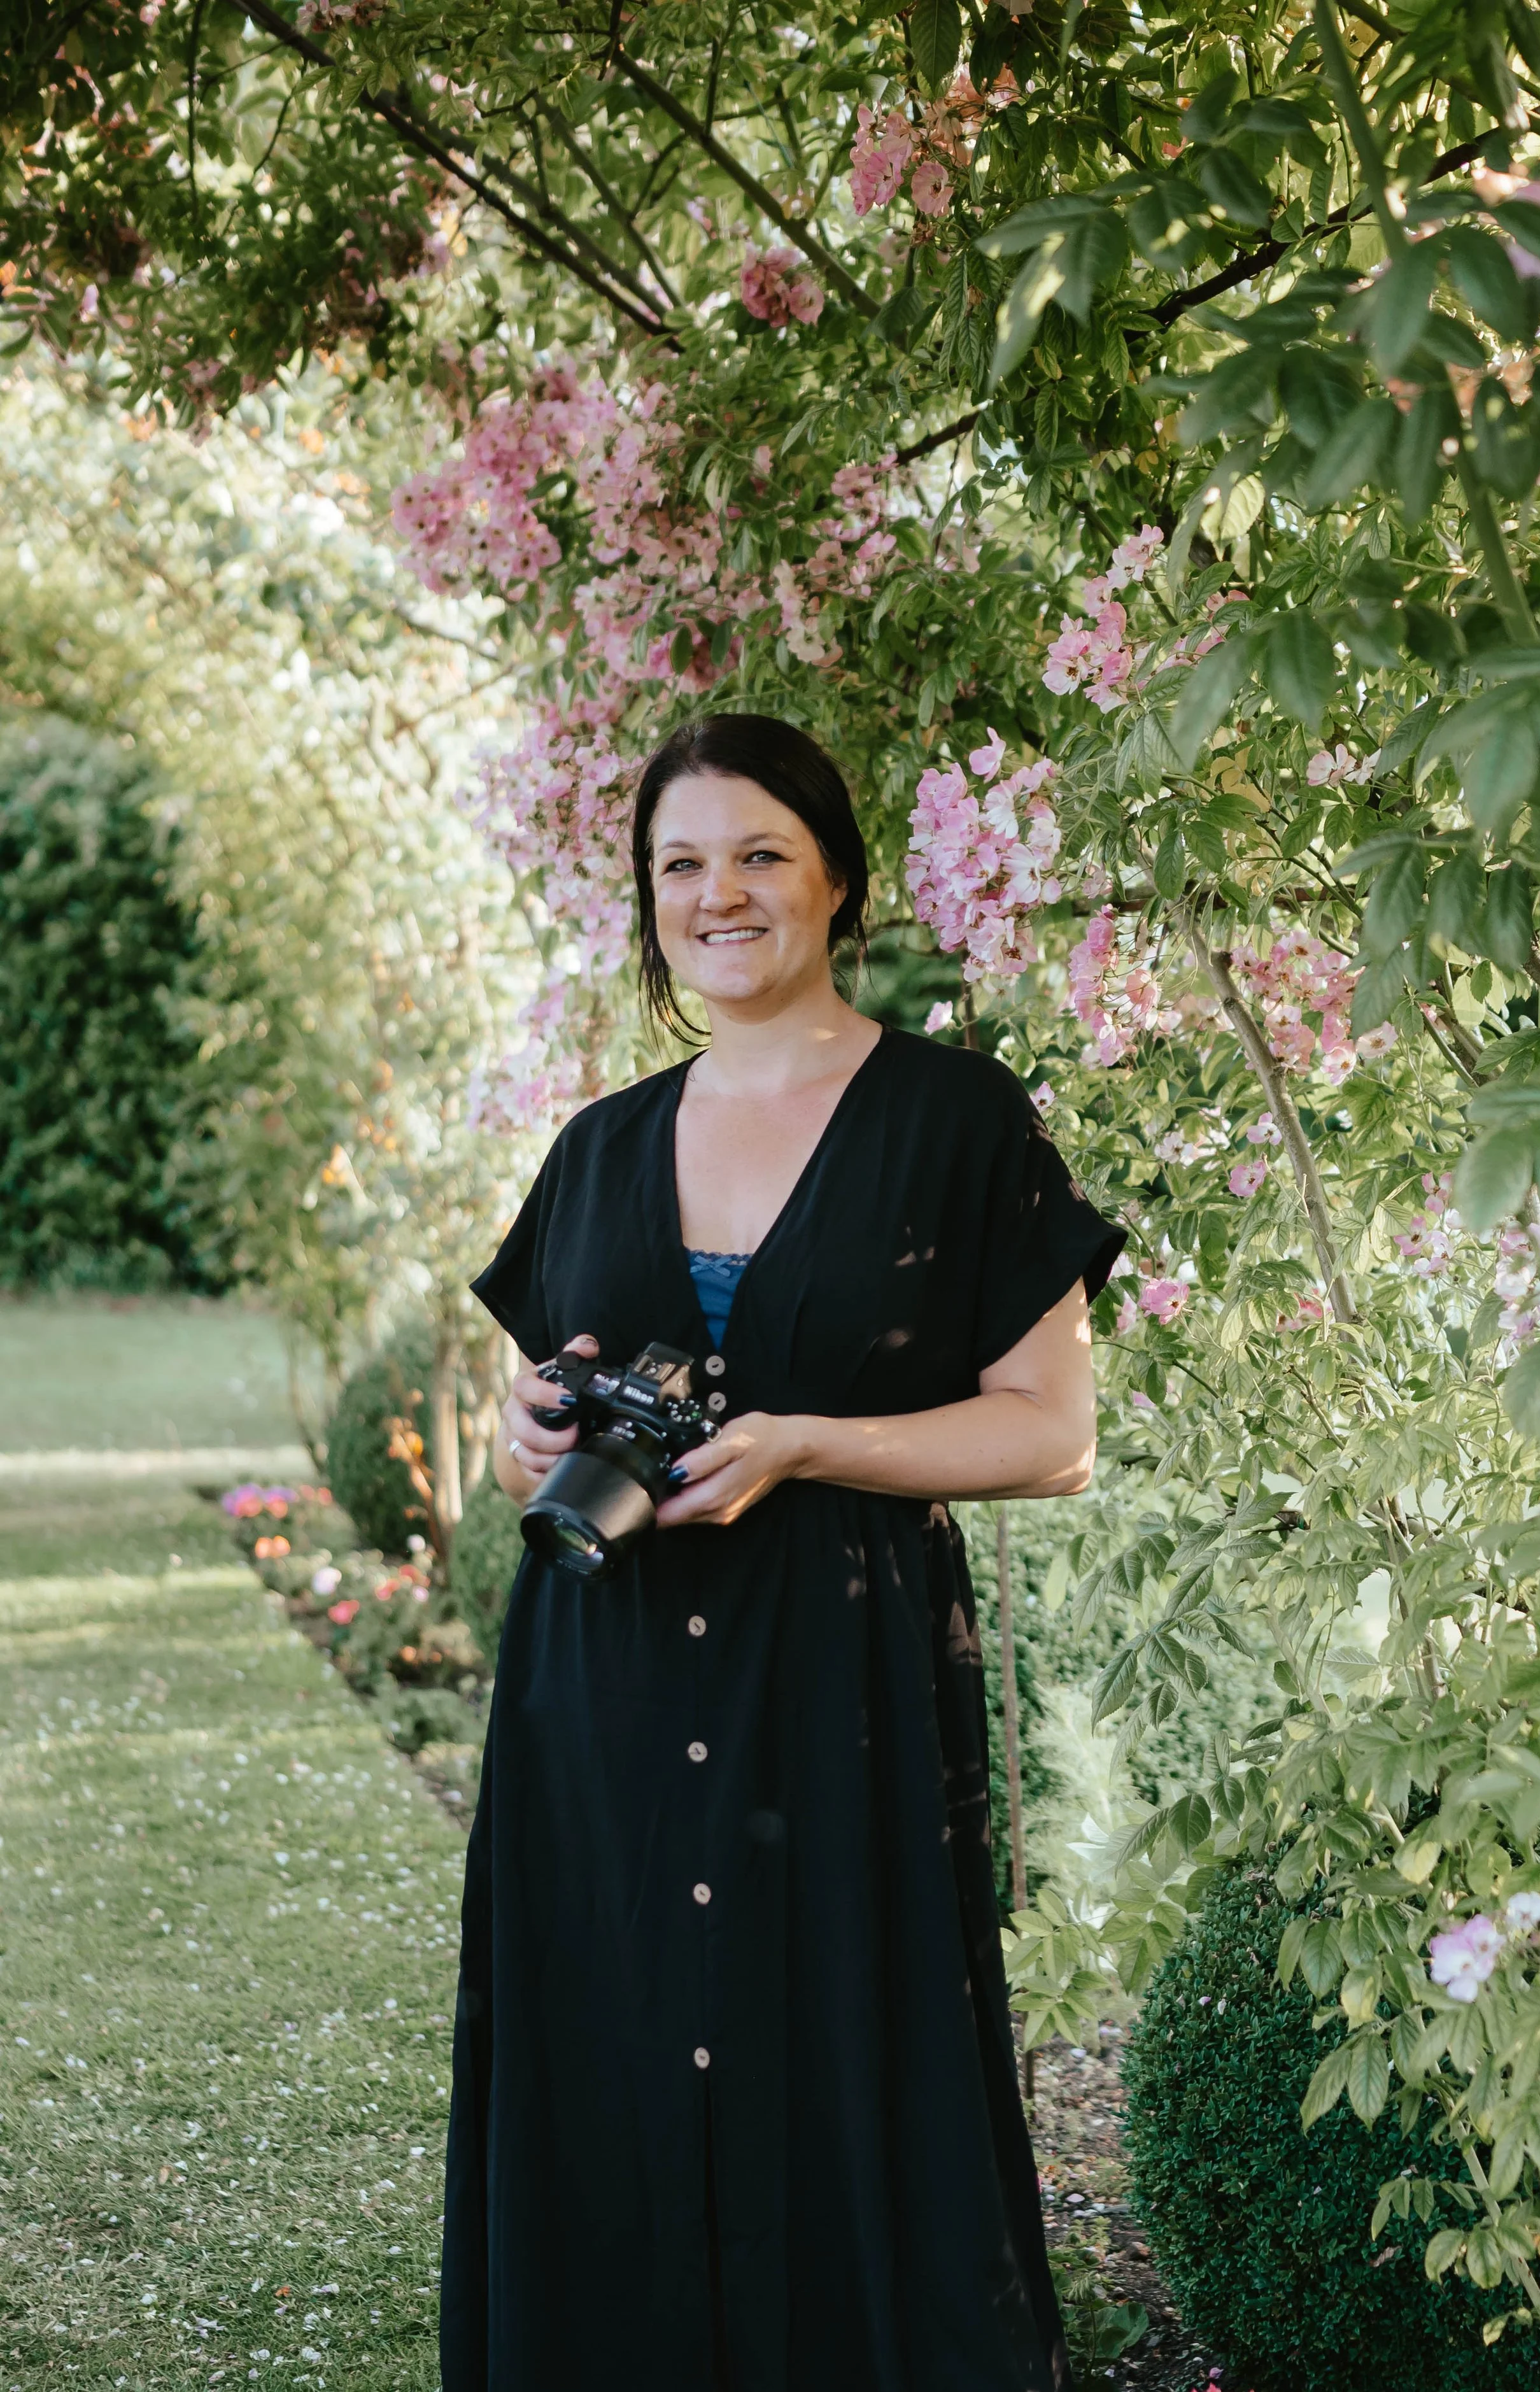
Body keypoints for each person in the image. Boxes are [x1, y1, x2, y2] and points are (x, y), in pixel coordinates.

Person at [442, 714, 1123, 2392]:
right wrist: (535, 1419)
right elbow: (542, 1379)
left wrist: (812, 1444)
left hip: (838, 1684)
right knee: (608, 2049)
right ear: (645, 901)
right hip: (594, 1694)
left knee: (838, 2053)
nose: (717, 893)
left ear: (837, 881)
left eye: (757, 853)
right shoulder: (599, 1143)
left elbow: (1048, 1429)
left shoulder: (954, 1117)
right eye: (679, 863)